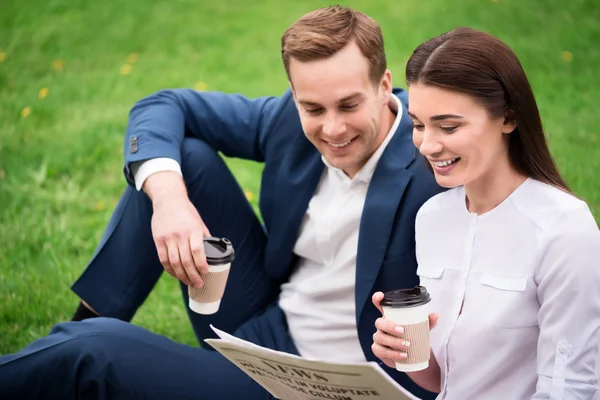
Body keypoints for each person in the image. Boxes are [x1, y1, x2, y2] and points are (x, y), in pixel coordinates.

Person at [0, 6, 444, 399]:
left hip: (341, 381)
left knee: (93, 354)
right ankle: (75, 331)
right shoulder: (286, 122)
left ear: (385, 85)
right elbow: (164, 105)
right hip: (264, 325)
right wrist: (170, 201)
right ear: (293, 95)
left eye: (349, 105)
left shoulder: (436, 159)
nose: (332, 129)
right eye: (313, 109)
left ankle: (67, 349)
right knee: (179, 164)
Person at [371, 26, 600, 399]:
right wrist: (406, 353)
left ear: (508, 118)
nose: (427, 145)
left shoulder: (563, 230)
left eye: (448, 126)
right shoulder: (432, 217)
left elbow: (572, 388)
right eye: (417, 125)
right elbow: (446, 380)